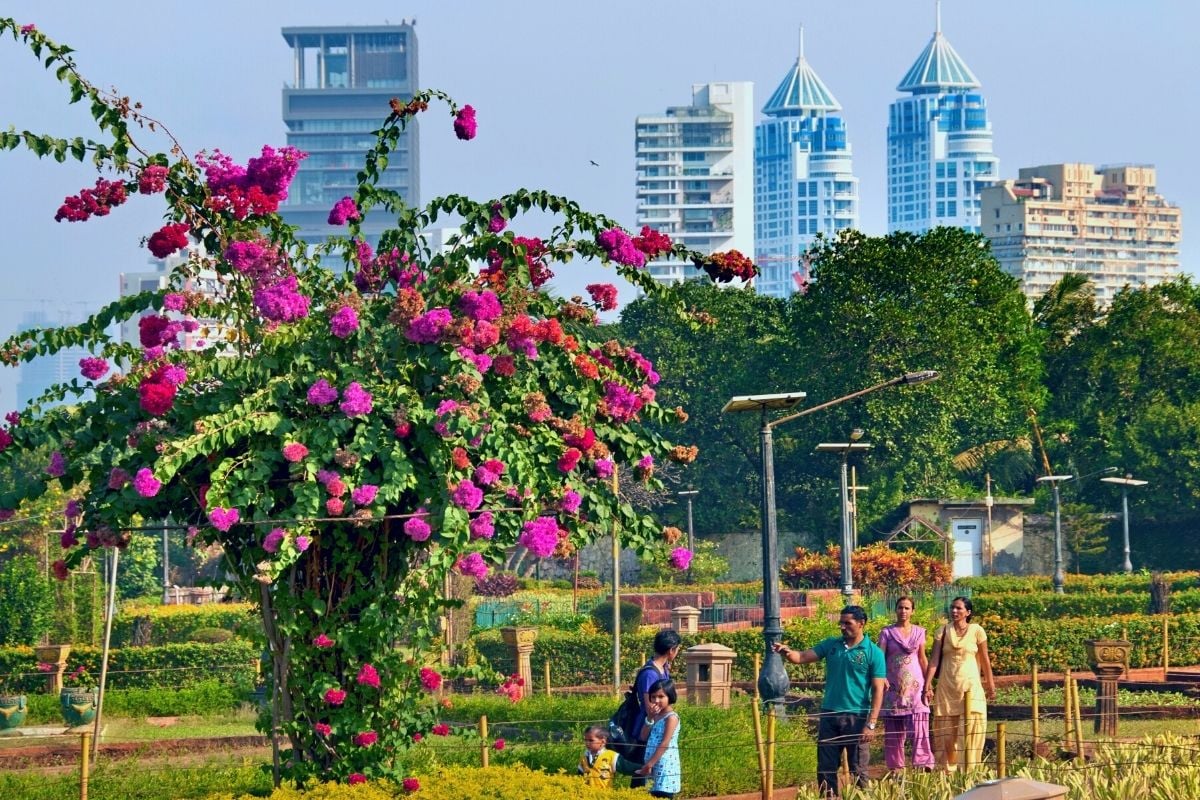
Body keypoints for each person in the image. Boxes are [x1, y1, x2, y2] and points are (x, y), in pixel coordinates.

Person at [773, 605, 885, 798]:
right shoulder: (831, 645)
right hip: (829, 715)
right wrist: (787, 652)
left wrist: (871, 723)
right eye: (841, 623)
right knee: (826, 768)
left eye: (847, 623)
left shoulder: (873, 653)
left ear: (861, 623)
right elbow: (801, 657)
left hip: (857, 717)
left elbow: (878, 689)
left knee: (859, 769)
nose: (842, 627)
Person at [924, 595, 995, 771]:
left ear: (968, 612)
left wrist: (990, 685)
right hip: (947, 687)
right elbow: (934, 660)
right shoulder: (943, 631)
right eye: (953, 608)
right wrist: (927, 684)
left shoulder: (977, 630)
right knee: (947, 733)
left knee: (970, 732)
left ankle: (969, 772)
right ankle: (947, 773)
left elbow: (985, 660)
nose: (954, 611)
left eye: (959, 608)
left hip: (970, 688)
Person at [877, 596, 934, 771]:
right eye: (900, 607)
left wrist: (929, 685)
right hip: (893, 686)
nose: (903, 611)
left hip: (916, 686)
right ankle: (896, 769)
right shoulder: (887, 632)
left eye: (907, 608)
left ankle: (923, 765)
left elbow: (923, 659)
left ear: (912, 611)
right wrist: (881, 677)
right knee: (894, 732)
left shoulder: (919, 632)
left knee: (919, 726)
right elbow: (880, 657)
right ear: (895, 610)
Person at [628, 628, 682, 787]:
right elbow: (651, 706)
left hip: (659, 726)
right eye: (677, 649)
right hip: (647, 728)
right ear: (671, 650)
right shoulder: (650, 674)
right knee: (641, 775)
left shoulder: (663, 669)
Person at [635, 678, 681, 798]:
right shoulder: (654, 715)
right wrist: (650, 717)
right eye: (653, 697)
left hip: (664, 765)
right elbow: (643, 737)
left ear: (670, 697)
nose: (656, 700)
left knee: (663, 793)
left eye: (661, 697)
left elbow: (665, 743)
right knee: (651, 794)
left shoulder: (671, 718)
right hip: (651, 763)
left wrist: (650, 764)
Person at [578, 724, 618, 789]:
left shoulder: (612, 756)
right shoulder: (584, 757)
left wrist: (639, 768)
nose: (587, 743)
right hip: (586, 794)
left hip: (604, 795)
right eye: (585, 740)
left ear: (603, 742)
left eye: (591, 740)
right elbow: (579, 776)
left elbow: (626, 766)